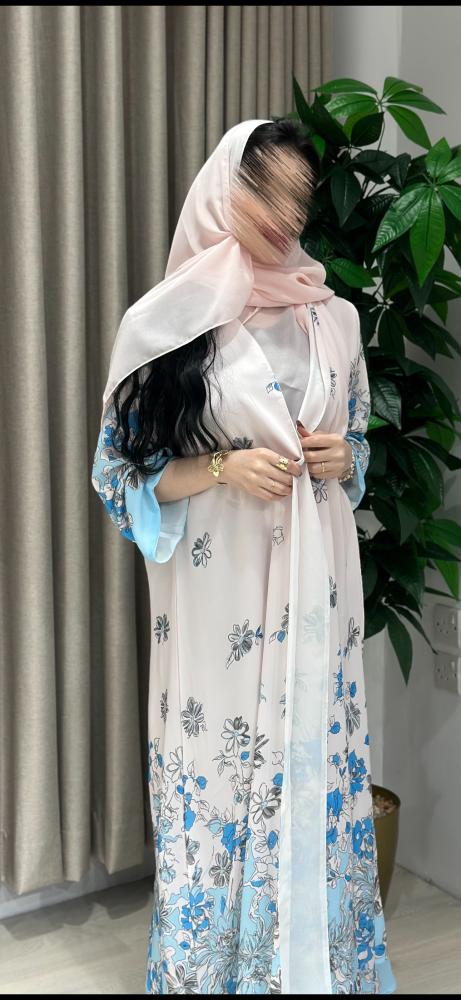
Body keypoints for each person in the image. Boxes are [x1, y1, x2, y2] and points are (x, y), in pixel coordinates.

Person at [91, 118, 397, 995]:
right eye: (265, 189)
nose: (283, 214)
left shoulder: (333, 316)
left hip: (317, 588)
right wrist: (222, 467)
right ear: (223, 186)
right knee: (220, 775)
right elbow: (119, 475)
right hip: (216, 594)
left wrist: (342, 458)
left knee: (311, 759)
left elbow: (357, 442)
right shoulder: (166, 322)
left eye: (299, 198)